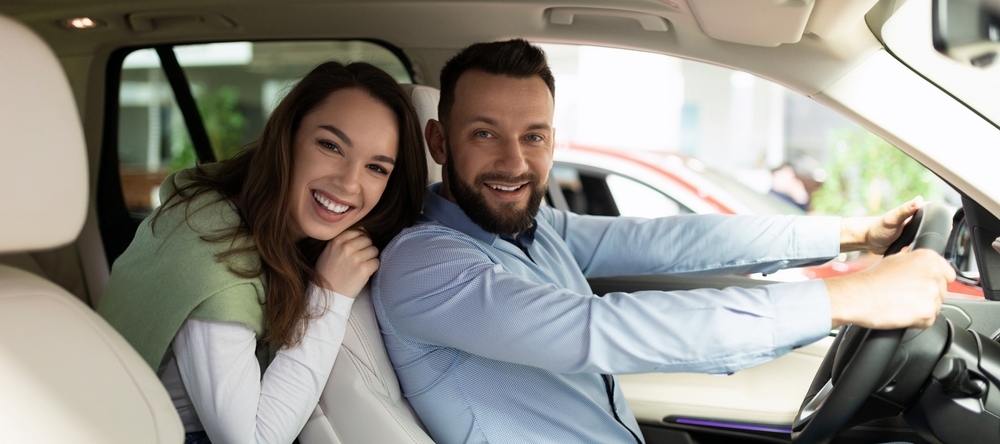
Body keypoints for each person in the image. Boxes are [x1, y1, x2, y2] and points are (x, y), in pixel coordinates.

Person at [370, 39, 956, 443]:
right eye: (484, 134)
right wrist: (847, 299)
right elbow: (600, 330)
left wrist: (852, 234)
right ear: (439, 142)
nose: (514, 161)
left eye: (534, 136)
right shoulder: (424, 266)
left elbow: (671, 239)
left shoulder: (531, 229)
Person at [98, 61, 427, 444]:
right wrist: (330, 296)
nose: (349, 183)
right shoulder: (214, 254)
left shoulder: (275, 224)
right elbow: (252, 440)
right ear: (287, 137)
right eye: (330, 146)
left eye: (376, 168)